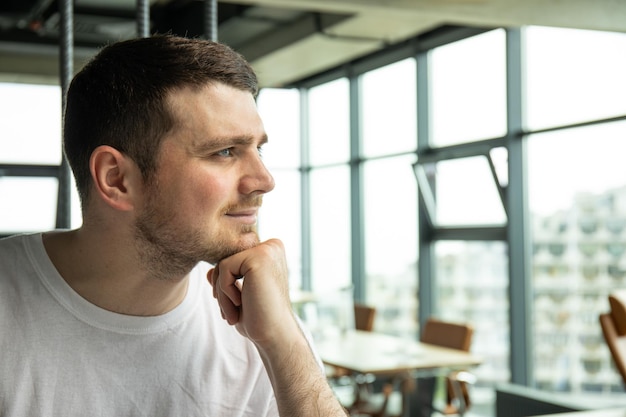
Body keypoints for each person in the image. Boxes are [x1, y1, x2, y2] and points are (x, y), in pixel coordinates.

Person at [0, 34, 347, 417]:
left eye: (258, 149)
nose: (264, 180)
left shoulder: (264, 328)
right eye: (225, 152)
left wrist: (285, 343)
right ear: (117, 179)